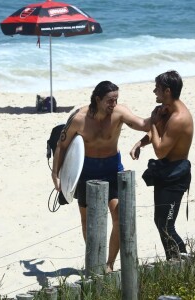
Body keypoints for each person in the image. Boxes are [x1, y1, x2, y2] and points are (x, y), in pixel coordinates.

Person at [52, 81, 151, 272]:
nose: (114, 104)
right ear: (97, 99)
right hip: (86, 172)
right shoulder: (79, 118)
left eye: (116, 100)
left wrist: (159, 114)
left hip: (112, 169)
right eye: (109, 100)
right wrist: (55, 174)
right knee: (86, 221)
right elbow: (61, 145)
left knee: (119, 218)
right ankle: (95, 260)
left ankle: (109, 264)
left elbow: (144, 124)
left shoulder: (119, 113)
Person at [130, 70, 193, 260]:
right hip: (166, 172)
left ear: (167, 91)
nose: (153, 91)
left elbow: (160, 150)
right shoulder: (167, 111)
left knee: (167, 225)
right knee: (160, 222)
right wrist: (140, 142)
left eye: (156, 88)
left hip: (176, 175)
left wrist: (153, 124)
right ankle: (173, 260)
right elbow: (158, 133)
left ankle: (181, 261)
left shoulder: (178, 118)